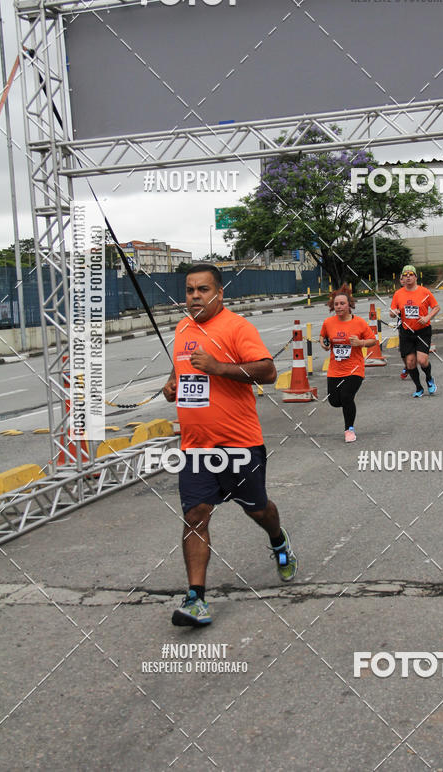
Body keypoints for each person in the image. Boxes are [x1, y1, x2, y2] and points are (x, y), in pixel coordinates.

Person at [162, 263, 298, 627]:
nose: (194, 296)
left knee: (258, 511)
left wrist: (219, 368)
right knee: (194, 517)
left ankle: (278, 539)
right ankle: (196, 598)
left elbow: (268, 371)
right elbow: (182, 370)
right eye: (189, 290)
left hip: (239, 444)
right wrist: (171, 384)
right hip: (195, 448)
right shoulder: (182, 328)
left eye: (202, 290)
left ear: (219, 293)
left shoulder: (237, 328)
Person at [319, 284, 376, 442]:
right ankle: (348, 409)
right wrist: (323, 344)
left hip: (354, 369)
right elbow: (323, 337)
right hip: (335, 369)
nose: (339, 307)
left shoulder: (359, 323)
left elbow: (373, 340)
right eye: (336, 304)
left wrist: (360, 343)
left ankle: (349, 429)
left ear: (349, 305)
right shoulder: (328, 323)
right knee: (334, 401)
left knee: (346, 396)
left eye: (342, 303)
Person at [390, 264, 440, 397]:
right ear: (402, 278)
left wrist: (427, 317)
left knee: (422, 360)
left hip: (423, 330)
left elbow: (436, 307)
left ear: (416, 277)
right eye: (405, 275)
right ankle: (418, 388)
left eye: (410, 275)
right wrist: (394, 312)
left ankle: (429, 378)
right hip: (407, 331)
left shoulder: (424, 292)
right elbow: (392, 312)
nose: (408, 277)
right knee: (410, 362)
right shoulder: (398, 294)